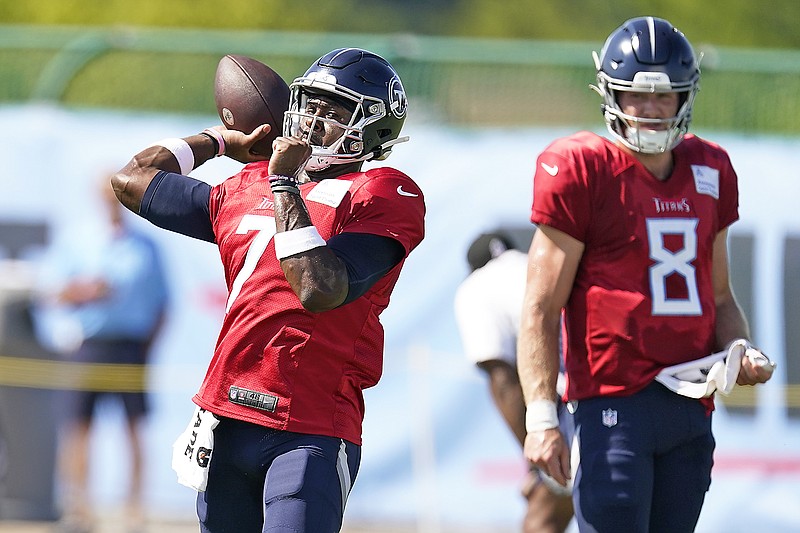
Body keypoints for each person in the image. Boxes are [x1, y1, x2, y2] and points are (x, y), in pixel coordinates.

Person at [111, 47, 425, 533]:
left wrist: (282, 182)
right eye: (310, 105)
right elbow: (132, 178)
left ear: (373, 127)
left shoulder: (383, 191)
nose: (313, 121)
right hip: (224, 413)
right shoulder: (246, 184)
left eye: (335, 111)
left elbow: (318, 288)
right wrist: (218, 141)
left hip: (310, 424)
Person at [516, 16, 776, 533]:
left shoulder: (711, 168)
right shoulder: (581, 167)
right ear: (611, 93)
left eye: (666, 96)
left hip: (690, 406)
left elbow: (720, 298)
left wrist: (741, 350)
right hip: (612, 402)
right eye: (637, 96)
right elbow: (541, 307)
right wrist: (542, 418)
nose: (652, 109)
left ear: (686, 98)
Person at [37, 177, 169, 533]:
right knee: (79, 427)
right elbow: (53, 294)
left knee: (134, 428)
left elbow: (163, 303)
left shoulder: (146, 245)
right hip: (89, 344)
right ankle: (79, 507)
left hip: (130, 346)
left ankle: (134, 510)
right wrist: (82, 291)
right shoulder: (77, 240)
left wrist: (147, 346)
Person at [454, 231, 574, 533]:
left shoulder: (476, 288)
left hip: (567, 401)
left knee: (542, 520)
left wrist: (536, 460)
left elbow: (502, 377)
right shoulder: (538, 263)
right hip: (617, 390)